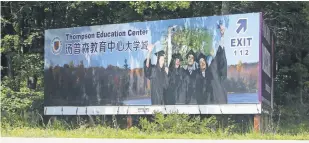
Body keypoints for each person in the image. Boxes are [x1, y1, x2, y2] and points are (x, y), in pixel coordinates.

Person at [206, 20, 228, 104]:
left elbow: (222, 61)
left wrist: (222, 36)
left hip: (218, 99)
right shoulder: (204, 58)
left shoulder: (217, 60)